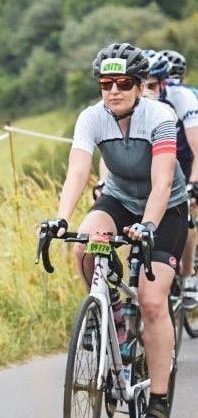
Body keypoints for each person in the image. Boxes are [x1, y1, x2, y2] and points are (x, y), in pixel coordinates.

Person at [45, 42, 186, 418]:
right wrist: (61, 217)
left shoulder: (161, 116)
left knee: (154, 302)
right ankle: (114, 312)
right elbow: (77, 171)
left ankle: (157, 398)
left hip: (166, 208)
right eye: (106, 83)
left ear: (140, 86)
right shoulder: (91, 117)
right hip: (120, 200)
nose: (114, 91)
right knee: (84, 246)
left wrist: (149, 224)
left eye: (124, 83)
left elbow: (162, 181)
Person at [158, 49, 198, 308]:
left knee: (188, 213)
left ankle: (189, 276)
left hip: (189, 155)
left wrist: (194, 185)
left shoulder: (184, 96)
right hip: (165, 157)